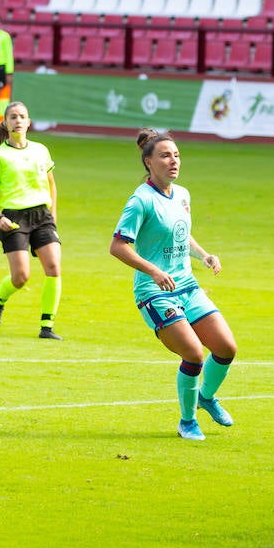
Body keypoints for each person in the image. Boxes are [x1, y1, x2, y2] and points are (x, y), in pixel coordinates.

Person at [110, 129, 237, 441]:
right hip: (155, 292)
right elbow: (118, 246)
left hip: (187, 286)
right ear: (149, 162)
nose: (173, 161)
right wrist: (153, 271)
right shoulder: (140, 200)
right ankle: (187, 421)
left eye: (177, 155)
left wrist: (204, 255)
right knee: (193, 353)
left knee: (225, 347)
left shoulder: (182, 194)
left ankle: (205, 397)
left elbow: (180, 234)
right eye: (165, 155)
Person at [0, 102, 63, 340]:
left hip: (42, 215)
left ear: (29, 122)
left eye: (22, 117)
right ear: (6, 124)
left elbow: (51, 183)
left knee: (54, 268)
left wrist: (53, 214)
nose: (18, 121)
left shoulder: (41, 150)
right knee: (21, 277)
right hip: (13, 217)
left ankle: (47, 326)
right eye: (13, 117)